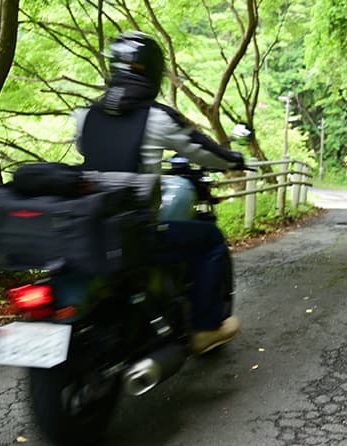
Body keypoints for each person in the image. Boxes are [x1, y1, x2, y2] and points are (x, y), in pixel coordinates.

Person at [73, 30, 245, 355]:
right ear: (152, 71)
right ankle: (206, 329)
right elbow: (202, 150)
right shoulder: (156, 118)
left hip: (91, 230)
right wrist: (234, 159)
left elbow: (84, 149)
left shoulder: (85, 117)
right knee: (210, 242)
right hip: (135, 235)